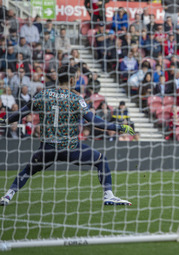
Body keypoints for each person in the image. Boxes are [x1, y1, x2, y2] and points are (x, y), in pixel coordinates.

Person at [0, 66, 135, 206]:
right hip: (70, 148)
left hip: (47, 148)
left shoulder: (43, 94)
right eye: (76, 78)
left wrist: (5, 120)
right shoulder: (76, 98)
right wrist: (118, 127)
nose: (77, 80)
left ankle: (7, 196)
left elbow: (22, 112)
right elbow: (94, 121)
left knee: (27, 170)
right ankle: (109, 196)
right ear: (71, 79)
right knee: (101, 160)